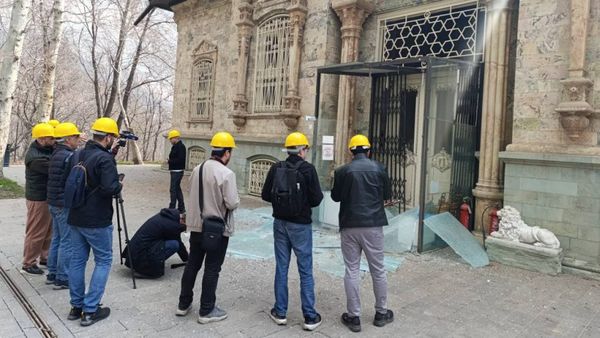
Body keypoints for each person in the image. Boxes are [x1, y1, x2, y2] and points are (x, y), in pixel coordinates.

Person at [261, 132, 324, 331]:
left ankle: (280, 312)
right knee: (305, 270)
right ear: (302, 150)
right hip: (301, 225)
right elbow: (316, 200)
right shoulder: (308, 170)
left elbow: (265, 195)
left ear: (288, 149)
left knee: (282, 267)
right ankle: (310, 317)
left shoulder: (276, 167)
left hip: (280, 223)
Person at [331, 134, 394, 333]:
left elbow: (335, 197)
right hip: (373, 226)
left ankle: (354, 316)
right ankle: (381, 313)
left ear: (351, 151)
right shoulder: (379, 168)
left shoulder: (342, 171)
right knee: (378, 269)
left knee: (352, 269)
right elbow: (387, 196)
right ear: (368, 151)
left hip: (349, 225)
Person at [177, 131, 240, 324]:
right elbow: (232, 203)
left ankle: (183, 304)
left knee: (192, 265)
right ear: (227, 153)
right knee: (212, 269)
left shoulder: (198, 168)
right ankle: (206, 309)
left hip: (196, 226)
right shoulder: (226, 173)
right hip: (216, 230)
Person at [67, 117, 122, 327]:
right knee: (104, 259)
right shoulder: (104, 159)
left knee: (77, 260)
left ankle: (76, 307)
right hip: (97, 219)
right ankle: (90, 310)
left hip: (75, 215)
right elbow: (110, 188)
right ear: (108, 137)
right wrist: (120, 185)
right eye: (112, 138)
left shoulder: (78, 154)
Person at [46, 123, 82, 290]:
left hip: (53, 201)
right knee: (66, 241)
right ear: (68, 139)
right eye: (76, 137)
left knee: (57, 238)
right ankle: (62, 277)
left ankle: (52, 273)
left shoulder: (56, 153)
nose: (78, 140)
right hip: (62, 203)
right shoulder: (68, 155)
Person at [22, 123, 55, 275]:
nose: (54, 139)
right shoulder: (35, 158)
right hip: (38, 199)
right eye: (51, 137)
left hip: (45, 196)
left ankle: (45, 257)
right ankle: (28, 262)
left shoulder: (46, 149)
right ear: (42, 139)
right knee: (36, 231)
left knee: (48, 230)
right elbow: (54, 169)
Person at [122, 208, 189, 279]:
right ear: (182, 221)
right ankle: (148, 269)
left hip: (133, 254)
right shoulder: (172, 225)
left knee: (172, 242)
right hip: (139, 256)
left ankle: (145, 265)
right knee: (174, 244)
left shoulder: (168, 216)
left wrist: (186, 258)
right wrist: (187, 259)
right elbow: (178, 241)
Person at [167, 129, 186, 215]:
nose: (170, 141)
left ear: (175, 138)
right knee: (177, 189)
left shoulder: (181, 147)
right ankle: (181, 208)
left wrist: (170, 161)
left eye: (171, 139)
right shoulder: (175, 146)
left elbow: (180, 160)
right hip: (175, 170)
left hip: (177, 171)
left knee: (173, 189)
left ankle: (172, 208)